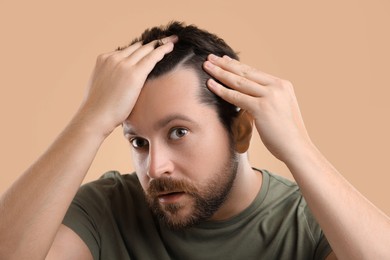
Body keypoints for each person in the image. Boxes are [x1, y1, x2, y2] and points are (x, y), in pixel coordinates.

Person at [0, 21, 389, 260]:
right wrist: (90, 120)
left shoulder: (311, 221)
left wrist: (298, 148)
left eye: (178, 133)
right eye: (138, 142)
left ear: (240, 131)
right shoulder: (104, 210)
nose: (155, 168)